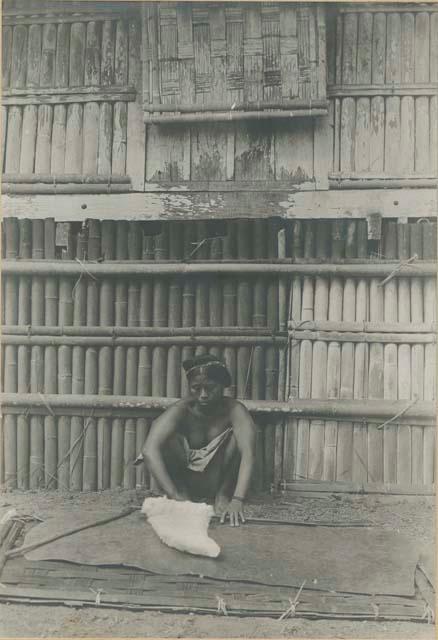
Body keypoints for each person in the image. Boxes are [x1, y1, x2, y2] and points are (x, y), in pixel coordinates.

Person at [141, 354, 256, 527]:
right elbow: (149, 450)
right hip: (185, 480)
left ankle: (222, 495)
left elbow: (248, 454)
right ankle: (182, 495)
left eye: (210, 388)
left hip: (217, 477)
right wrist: (174, 496)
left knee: (240, 439)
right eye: (196, 388)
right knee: (165, 438)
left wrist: (237, 499)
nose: (203, 395)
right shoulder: (181, 409)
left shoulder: (234, 410)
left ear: (224, 386)